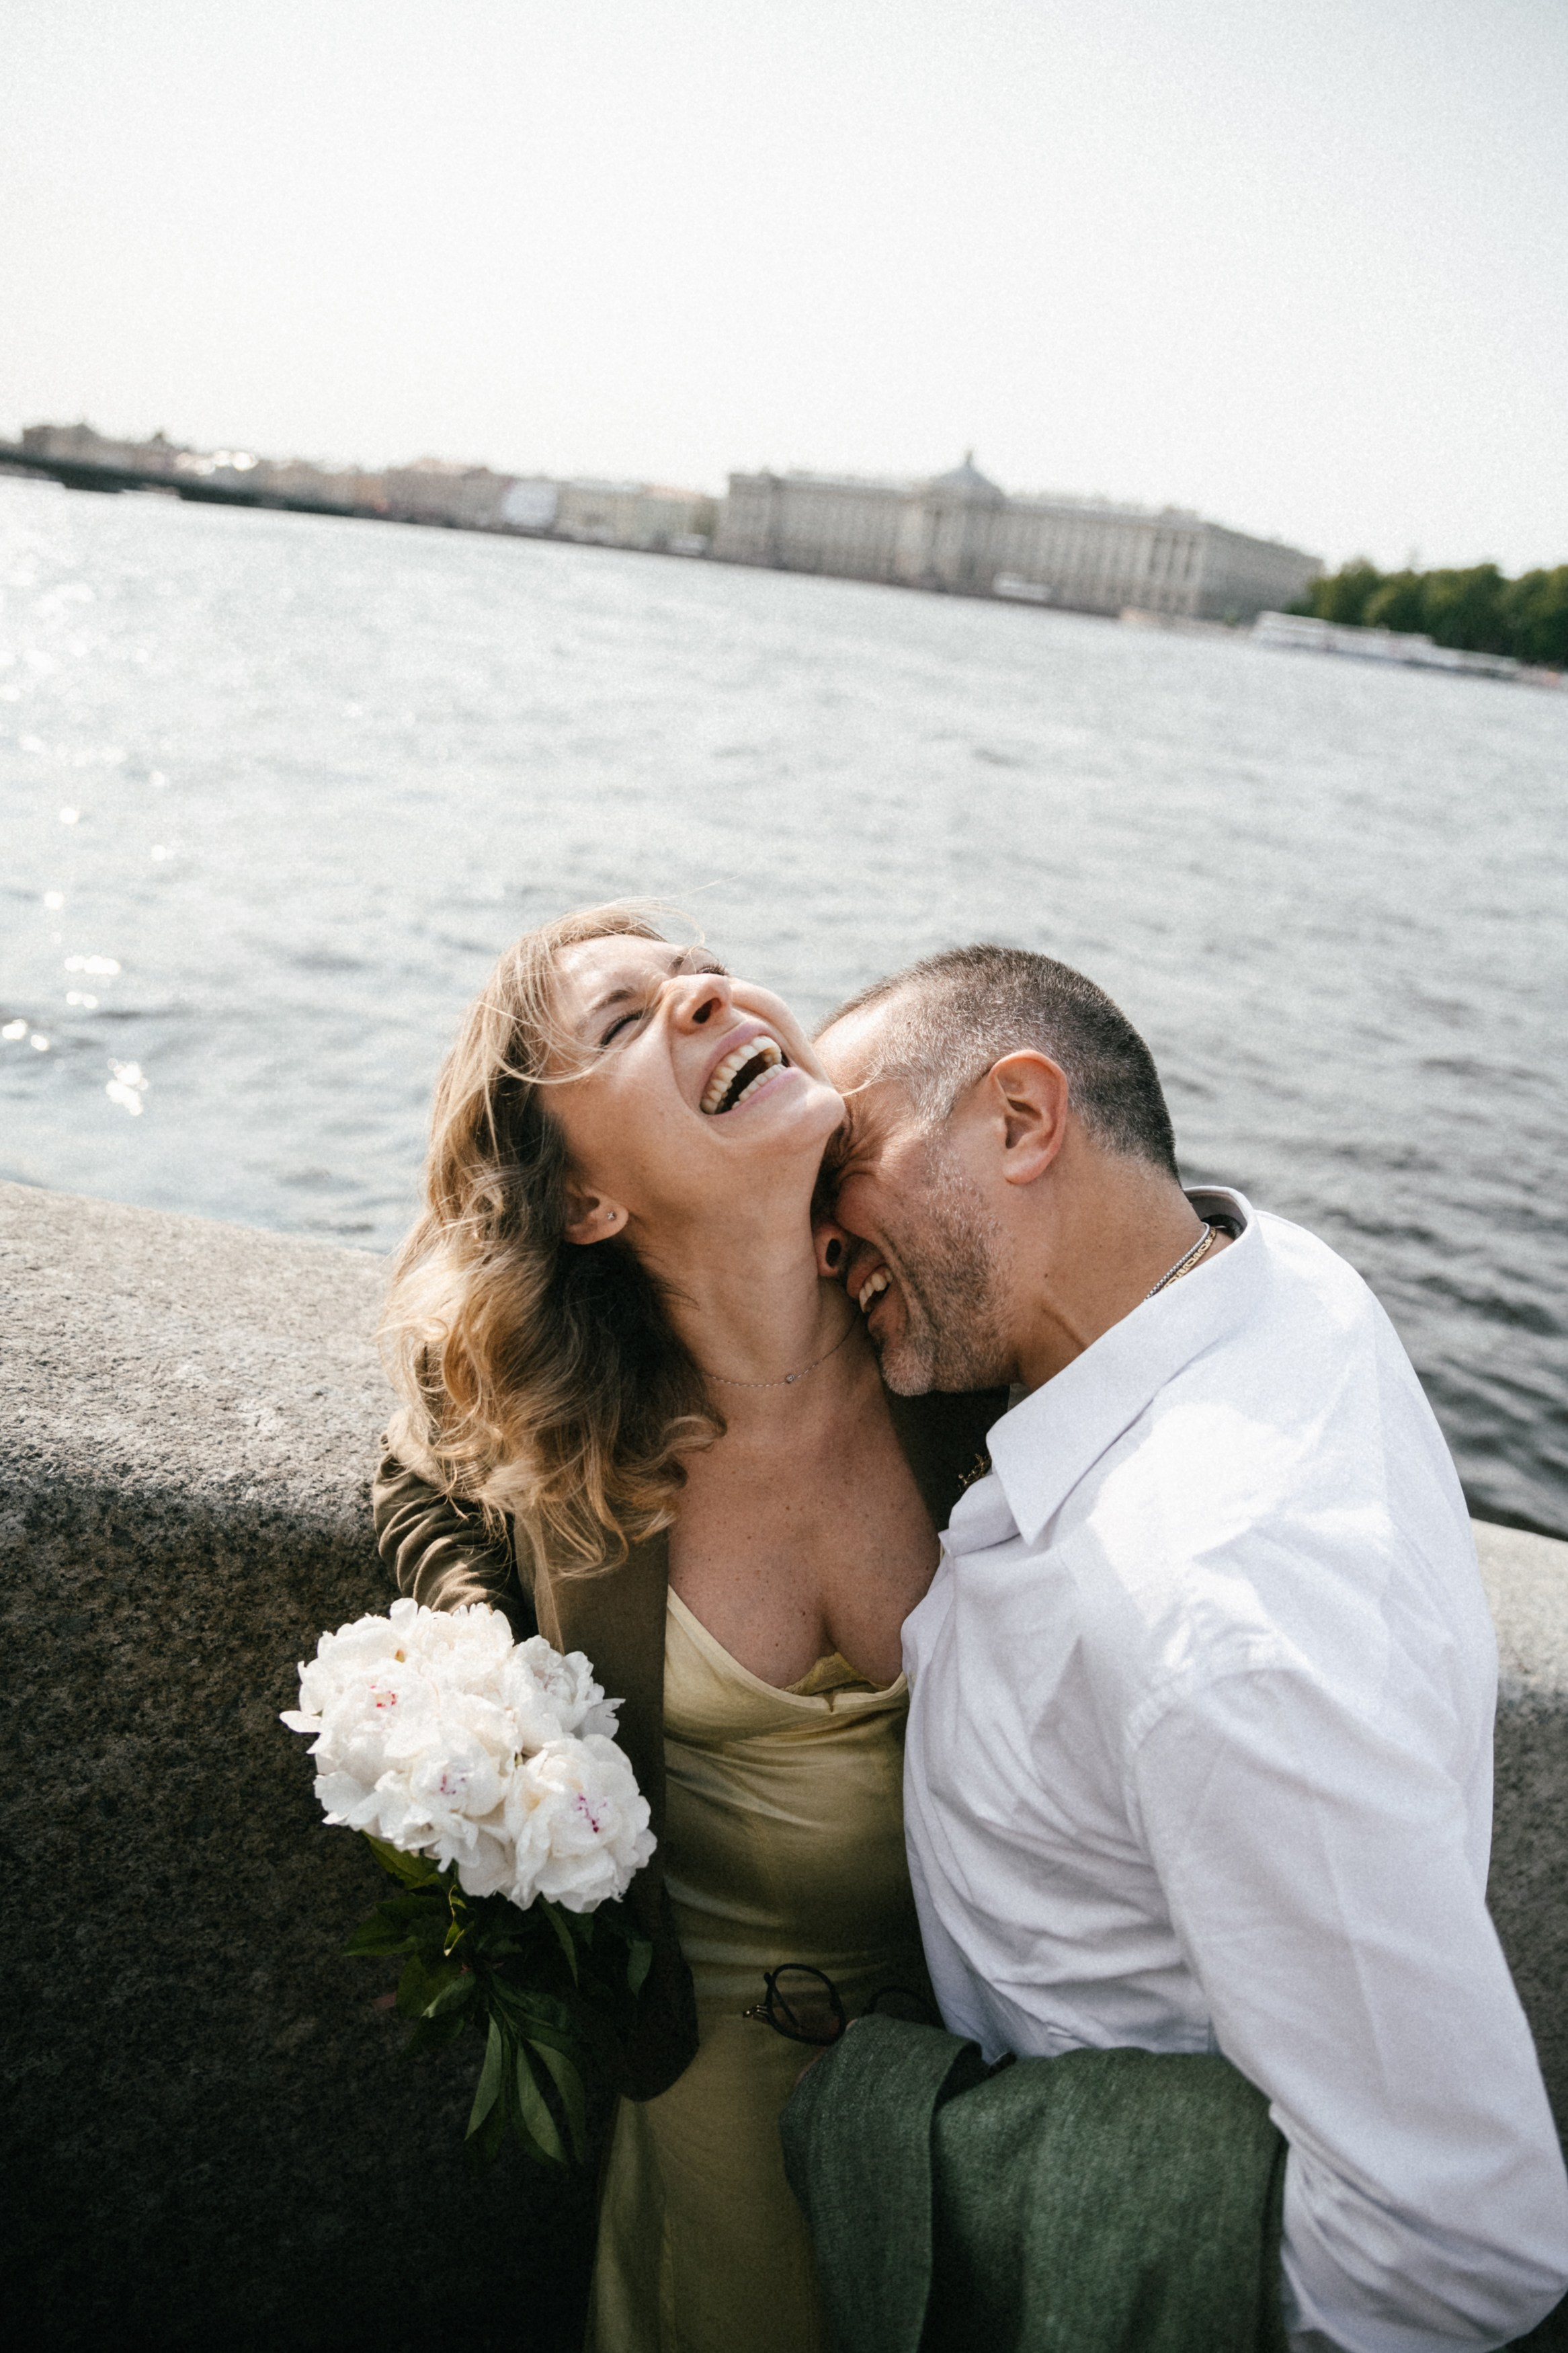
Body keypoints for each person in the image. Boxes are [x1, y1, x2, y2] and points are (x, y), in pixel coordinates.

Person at [800, 942, 1568, 2351]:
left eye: (842, 1165)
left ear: (1024, 1120)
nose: (818, 1237)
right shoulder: (1268, 1281)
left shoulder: (1211, 1616)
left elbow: (1460, 2242)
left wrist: (1098, 2263)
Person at [370, 906, 999, 2353]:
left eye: (700, 968)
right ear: (586, 1204)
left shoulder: (972, 1357)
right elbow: (408, 1475)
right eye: (623, 1019)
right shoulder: (577, 1451)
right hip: (715, 2115)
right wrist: (477, 1654)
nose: (704, 990)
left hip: (1000, 2089)